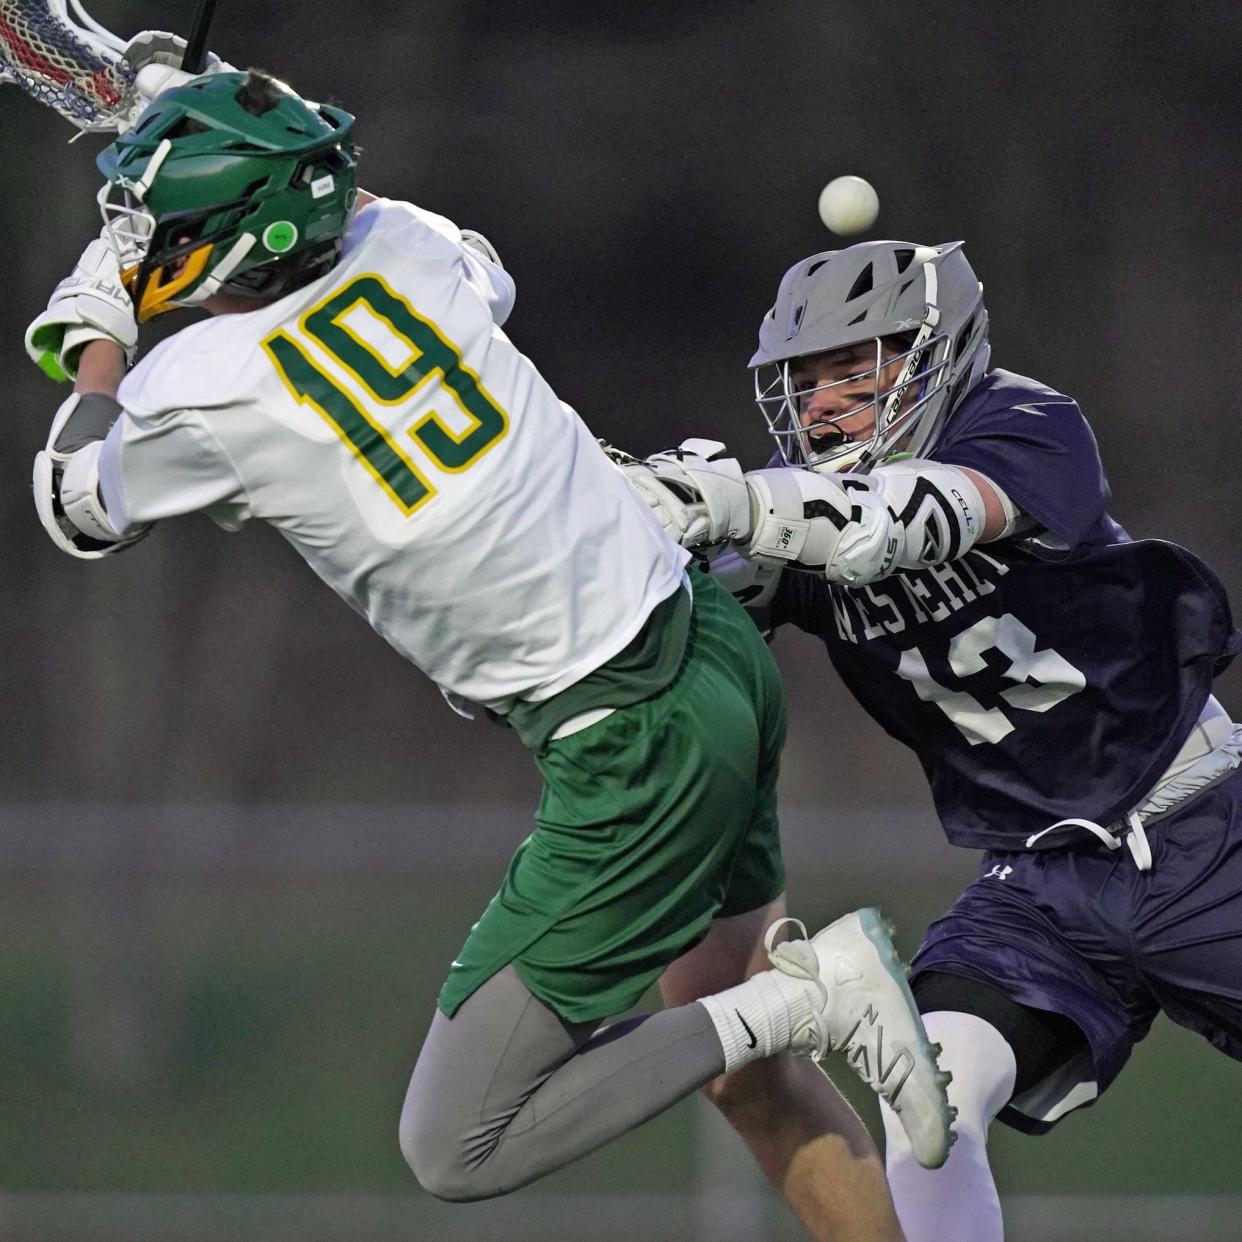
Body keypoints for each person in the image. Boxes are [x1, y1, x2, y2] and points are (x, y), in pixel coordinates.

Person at [24, 68, 955, 1236]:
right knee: (738, 1070)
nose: (142, 239)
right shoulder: (405, 243)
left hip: (626, 751)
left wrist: (96, 325)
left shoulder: (203, 390)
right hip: (707, 645)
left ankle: (812, 1001)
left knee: (458, 1140)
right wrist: (200, 101)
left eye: (158, 224)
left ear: (239, 237)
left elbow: (74, 500)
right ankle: (802, 1027)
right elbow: (401, 225)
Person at [630, 238, 1242, 1242]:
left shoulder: (1020, 425)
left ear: (937, 353)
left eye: (853, 372)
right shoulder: (796, 508)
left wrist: (743, 503)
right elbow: (689, 611)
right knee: (926, 1099)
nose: (823, 404)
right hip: (1037, 890)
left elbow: (897, 523)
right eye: (806, 380)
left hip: (1198, 828)